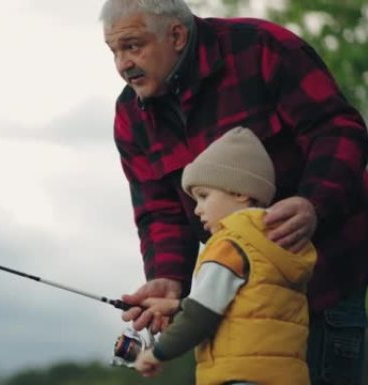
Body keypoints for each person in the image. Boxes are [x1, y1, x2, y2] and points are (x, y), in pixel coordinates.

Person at [99, 1, 368, 384]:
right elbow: (159, 213)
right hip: (239, 306)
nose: (123, 64)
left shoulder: (261, 50)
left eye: (133, 46)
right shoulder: (130, 117)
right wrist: (169, 276)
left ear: (176, 35)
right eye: (114, 51)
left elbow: (337, 129)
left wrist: (313, 203)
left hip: (326, 278)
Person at [133, 126, 317, 384]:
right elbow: (242, 305)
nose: (197, 210)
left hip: (237, 377)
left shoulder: (229, 244)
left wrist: (158, 353)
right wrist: (177, 307)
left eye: (204, 196)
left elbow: (202, 314)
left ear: (240, 192)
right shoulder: (278, 245)